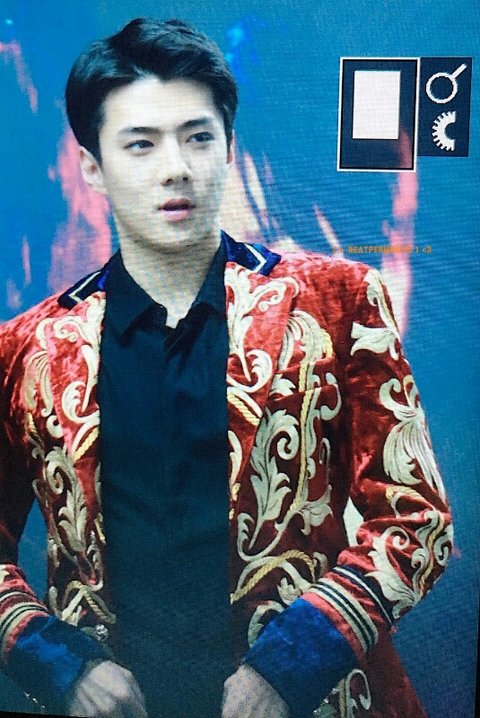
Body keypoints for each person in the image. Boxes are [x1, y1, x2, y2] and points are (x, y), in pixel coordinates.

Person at [0, 16, 452, 718]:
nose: (175, 167)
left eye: (198, 137)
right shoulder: (28, 347)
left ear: (231, 148)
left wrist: (288, 668)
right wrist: (60, 666)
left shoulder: (337, 302)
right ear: (92, 166)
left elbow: (417, 519)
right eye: (141, 144)